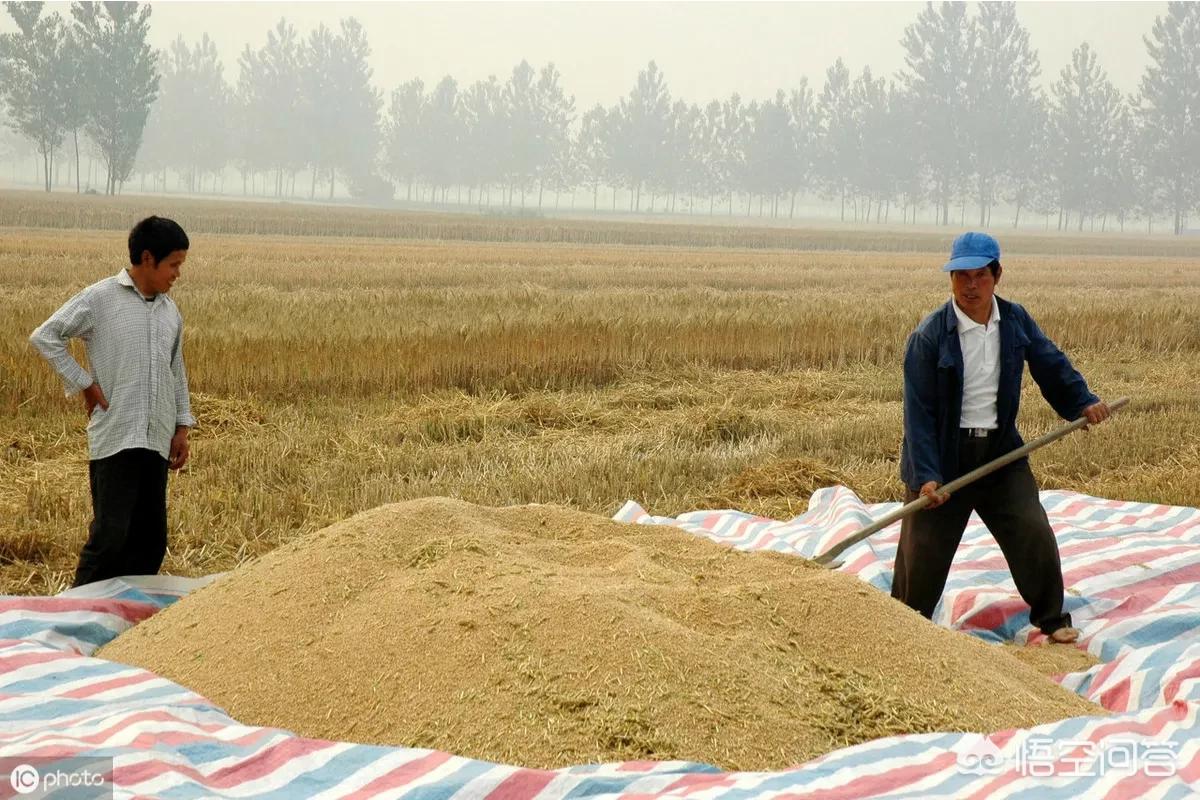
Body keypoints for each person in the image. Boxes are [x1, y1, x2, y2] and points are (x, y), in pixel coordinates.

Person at [894, 231, 1110, 644]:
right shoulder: (929, 337)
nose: (970, 286)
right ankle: (906, 628)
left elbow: (1051, 363)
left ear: (997, 276)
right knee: (920, 555)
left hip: (999, 453)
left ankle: (1052, 620)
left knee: (1033, 531)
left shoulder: (1014, 321)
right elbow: (917, 414)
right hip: (943, 458)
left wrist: (1083, 402)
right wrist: (926, 474)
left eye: (979, 276)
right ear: (951, 279)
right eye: (961, 276)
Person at [30, 216, 195, 587]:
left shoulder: (170, 311)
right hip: (116, 437)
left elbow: (176, 369)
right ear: (148, 258)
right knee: (110, 537)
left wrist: (182, 426)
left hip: (156, 439)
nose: (177, 274)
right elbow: (46, 336)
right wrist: (85, 384)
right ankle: (79, 614)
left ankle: (129, 623)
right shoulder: (100, 298)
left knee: (151, 540)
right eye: (174, 265)